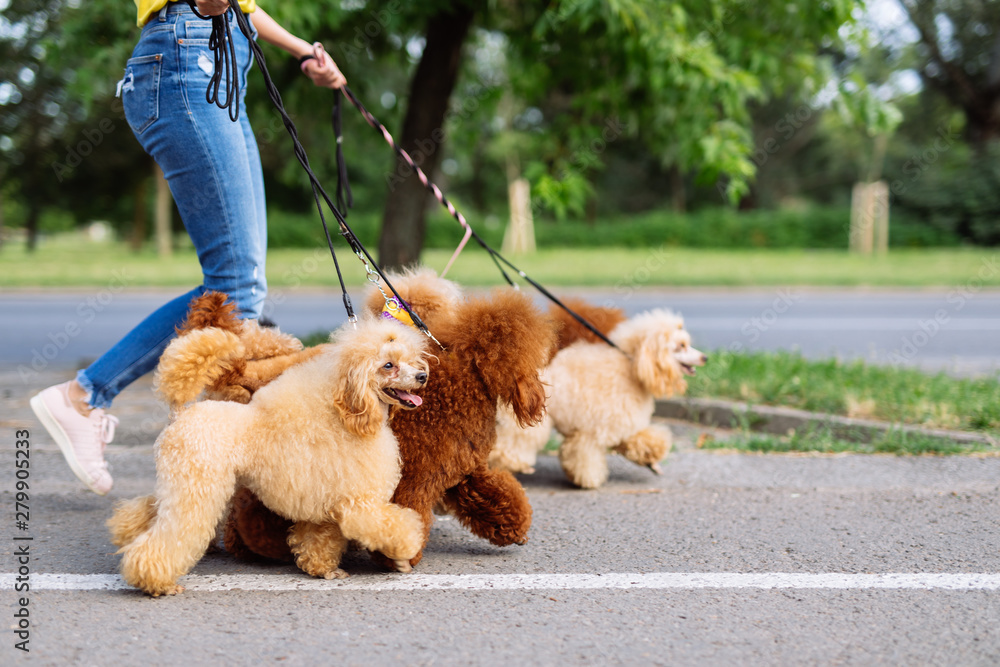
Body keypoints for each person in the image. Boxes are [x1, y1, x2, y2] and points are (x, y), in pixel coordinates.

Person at [29, 0, 347, 495]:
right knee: (233, 285)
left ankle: (232, 459)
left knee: (245, 289)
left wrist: (308, 51)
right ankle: (84, 396)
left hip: (218, 65)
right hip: (185, 59)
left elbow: (246, 6)